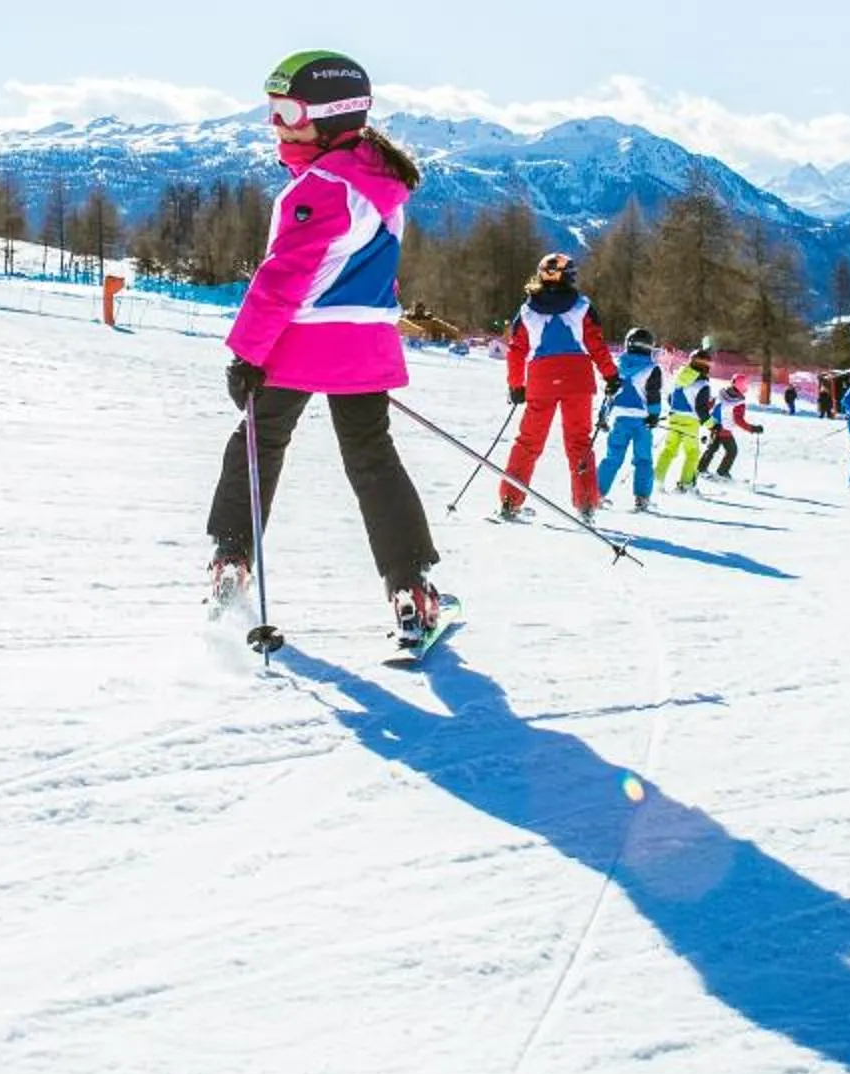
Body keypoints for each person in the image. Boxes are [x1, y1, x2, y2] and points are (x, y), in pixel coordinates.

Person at [205, 52, 444, 648]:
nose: (275, 124)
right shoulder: (381, 177)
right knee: (372, 457)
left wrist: (248, 353)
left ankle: (231, 559)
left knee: (258, 441)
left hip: (301, 338)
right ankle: (410, 587)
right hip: (363, 343)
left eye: (288, 112)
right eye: (272, 110)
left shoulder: (322, 187)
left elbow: (284, 277)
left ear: (334, 116)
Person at [497, 252, 618, 523]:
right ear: (570, 276)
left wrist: (516, 385)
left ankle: (510, 500)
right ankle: (586, 504)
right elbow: (596, 345)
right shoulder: (582, 306)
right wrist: (610, 375)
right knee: (578, 441)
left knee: (529, 441)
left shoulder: (527, 310)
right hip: (577, 378)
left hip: (542, 378)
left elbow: (516, 350)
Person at [596, 327, 667, 512]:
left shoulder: (617, 365)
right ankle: (642, 498)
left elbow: (610, 394)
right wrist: (654, 415)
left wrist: (603, 415)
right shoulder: (652, 368)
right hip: (642, 422)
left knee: (612, 458)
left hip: (620, 420)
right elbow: (653, 395)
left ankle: (596, 493)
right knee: (643, 460)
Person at [654, 342, 718, 494]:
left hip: (674, 419)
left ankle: (656, 480)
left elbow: (671, 399)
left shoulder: (679, 379)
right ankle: (685, 483)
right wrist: (712, 425)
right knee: (692, 453)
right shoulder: (702, 384)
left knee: (669, 450)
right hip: (690, 423)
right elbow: (701, 410)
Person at [698, 378, 763, 480]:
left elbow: (709, 405)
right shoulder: (739, 403)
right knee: (732, 451)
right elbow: (739, 421)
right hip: (725, 430)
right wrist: (752, 428)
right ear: (742, 387)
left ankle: (701, 468)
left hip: (714, 426)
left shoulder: (721, 394)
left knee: (712, 448)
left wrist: (703, 417)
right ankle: (722, 472)